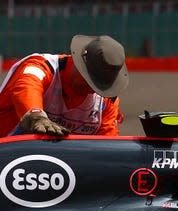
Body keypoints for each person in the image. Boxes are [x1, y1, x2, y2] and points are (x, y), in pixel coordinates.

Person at [0, 34, 129, 137]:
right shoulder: (41, 66)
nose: (92, 90)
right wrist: (36, 116)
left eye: (99, 87)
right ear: (78, 63)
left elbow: (106, 146)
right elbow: (27, 85)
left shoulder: (107, 101)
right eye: (90, 81)